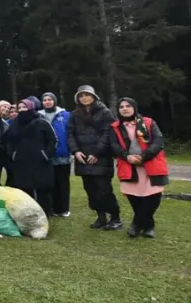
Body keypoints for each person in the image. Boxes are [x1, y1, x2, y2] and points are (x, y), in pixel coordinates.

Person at [109, 98, 169, 238]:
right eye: (121, 107)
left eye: (128, 106)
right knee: (134, 196)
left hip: (150, 164)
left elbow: (158, 141)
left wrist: (144, 156)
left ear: (134, 107)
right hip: (129, 166)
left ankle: (138, 224)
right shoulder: (115, 127)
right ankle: (147, 226)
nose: (125, 109)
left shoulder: (148, 122)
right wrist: (127, 156)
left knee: (153, 196)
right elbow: (114, 145)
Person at [68, 85, 122, 231]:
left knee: (104, 190)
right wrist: (75, 151)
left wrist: (97, 152)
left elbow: (108, 134)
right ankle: (101, 216)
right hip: (82, 158)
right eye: (81, 95)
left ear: (93, 96)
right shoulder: (74, 115)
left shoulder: (105, 112)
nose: (84, 98)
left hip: (101, 158)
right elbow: (70, 134)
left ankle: (116, 218)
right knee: (90, 190)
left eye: (87, 95)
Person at [7, 98, 56, 216]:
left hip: (40, 160)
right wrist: (13, 154)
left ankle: (45, 213)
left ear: (31, 107)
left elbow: (52, 139)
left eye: (24, 107)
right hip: (22, 161)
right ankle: (28, 214)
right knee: (25, 189)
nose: (21, 110)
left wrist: (46, 155)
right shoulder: (15, 124)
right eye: (19, 108)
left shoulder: (42, 122)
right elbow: (9, 141)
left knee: (42, 189)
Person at [39, 92, 72, 217]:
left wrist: (71, 150)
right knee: (50, 182)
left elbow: (70, 133)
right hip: (46, 154)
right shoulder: (39, 116)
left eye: (50, 99)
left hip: (62, 153)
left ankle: (64, 209)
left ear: (54, 101)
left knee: (63, 182)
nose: (47, 102)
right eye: (45, 100)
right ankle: (52, 208)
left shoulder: (65, 115)